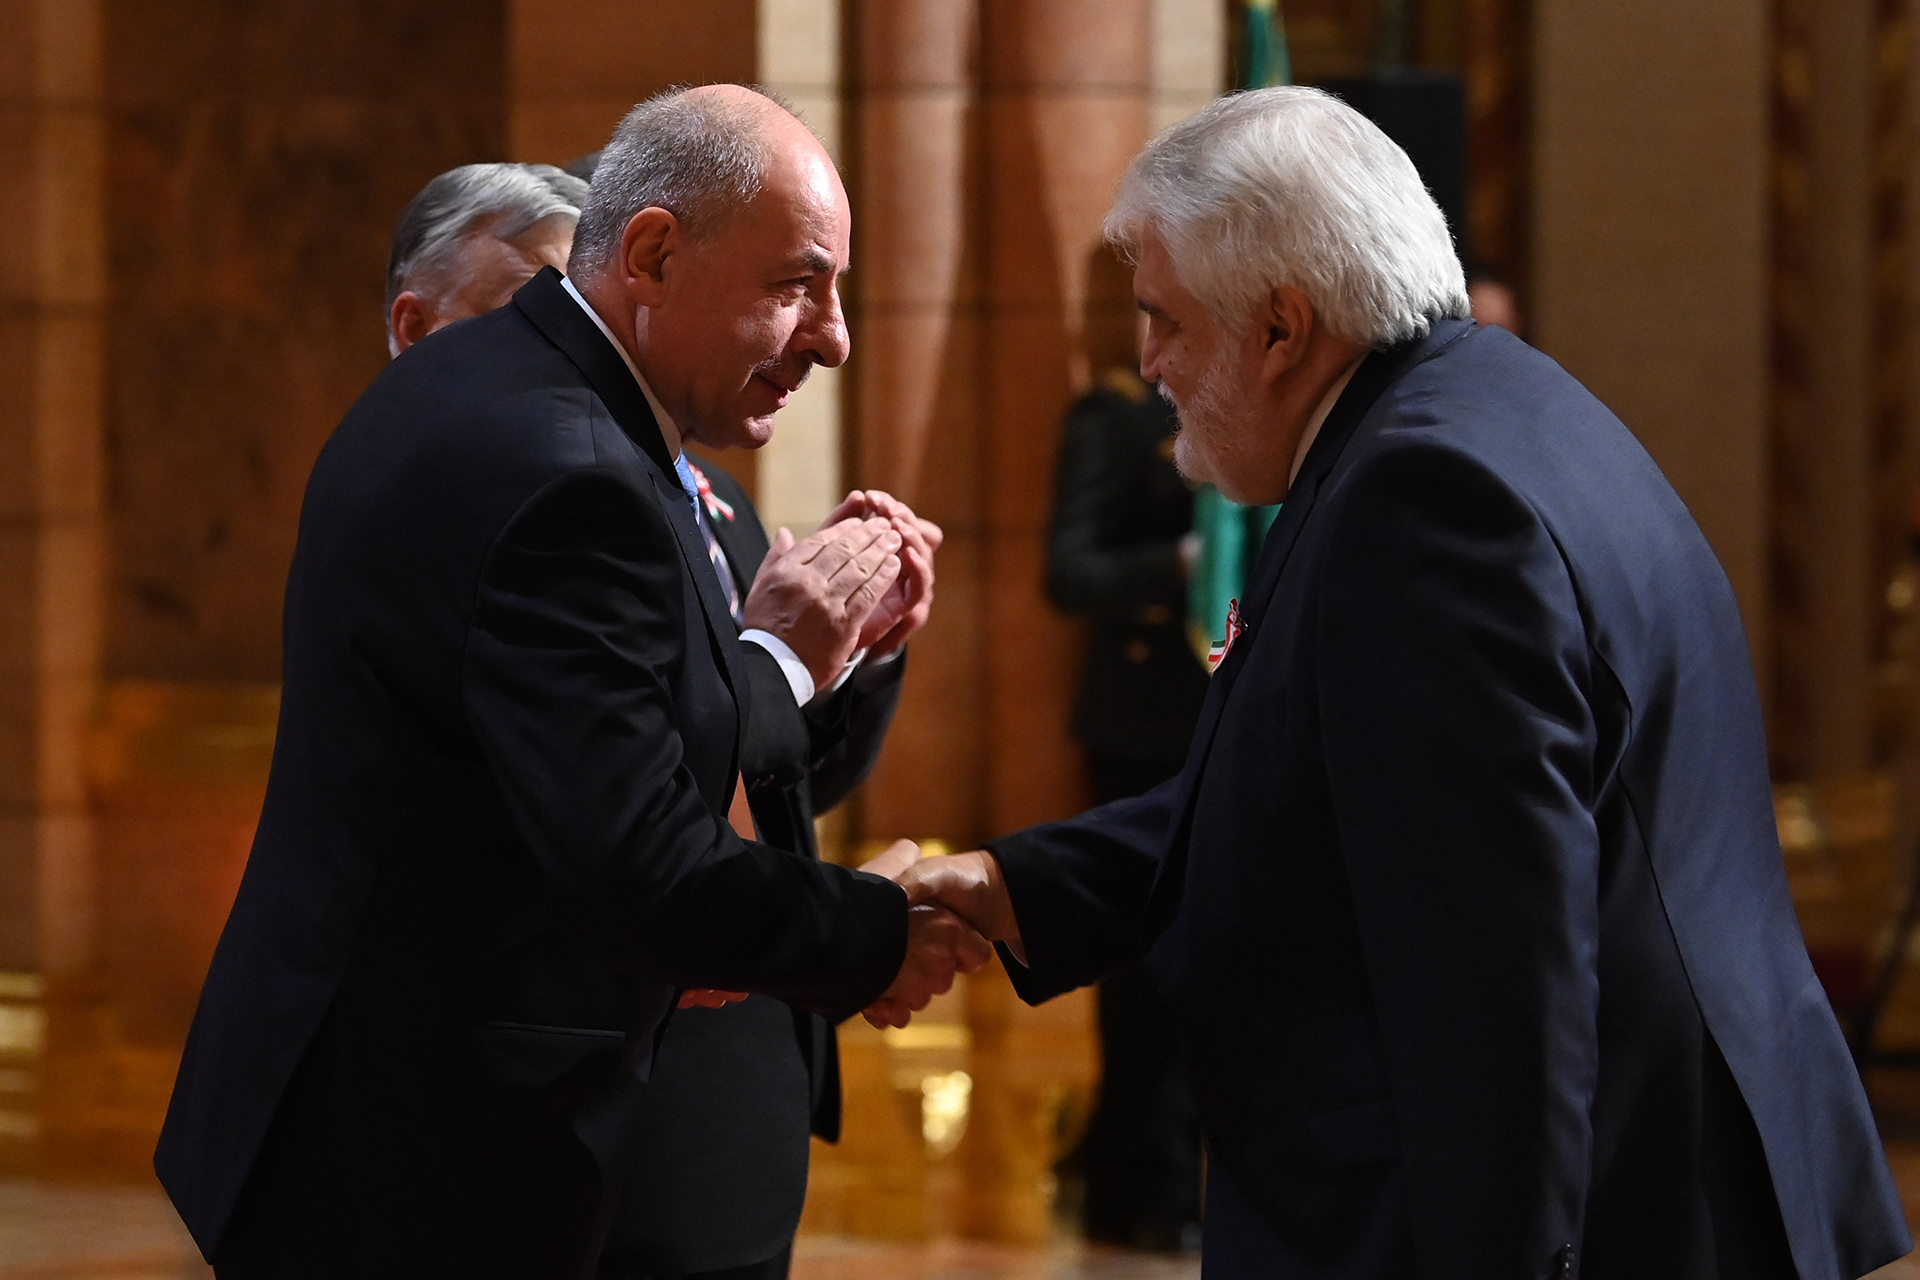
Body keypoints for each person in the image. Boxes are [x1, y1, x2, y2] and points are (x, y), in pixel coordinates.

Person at [896, 87, 1909, 1279]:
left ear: (1281, 326)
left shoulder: (1421, 505)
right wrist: (1014, 883)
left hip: (1575, 1215)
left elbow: (1497, 991)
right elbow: (1324, 795)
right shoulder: (1489, 407)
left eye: (1162, 318)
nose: (1145, 361)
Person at [155, 85, 989, 1280]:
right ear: (651, 253)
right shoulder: (571, 475)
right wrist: (874, 929)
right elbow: (640, 866)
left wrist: (807, 658)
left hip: (373, 1111)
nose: (835, 335)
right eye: (798, 283)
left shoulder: (490, 388)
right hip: (426, 1155)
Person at [381, 156, 932, 1280]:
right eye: (530, 308)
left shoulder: (704, 500)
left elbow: (774, 776)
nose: (569, 337)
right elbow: (610, 802)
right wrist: (773, 661)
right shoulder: (499, 494)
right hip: (565, 1070)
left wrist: (858, 657)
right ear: (416, 326)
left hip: (734, 1058)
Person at [1044, 247, 1206, 1251]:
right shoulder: (1114, 415)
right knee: (1146, 970)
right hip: (1141, 723)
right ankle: (1133, 1184)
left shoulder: (1238, 406)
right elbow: (1071, 568)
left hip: (1221, 715)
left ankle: (1152, 1169)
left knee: (1203, 964)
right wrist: (1177, 563)